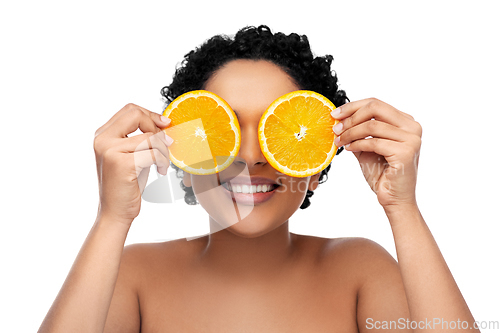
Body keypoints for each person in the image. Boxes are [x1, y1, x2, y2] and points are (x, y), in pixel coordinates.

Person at [38, 25, 478, 332]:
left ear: (316, 167)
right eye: (223, 130)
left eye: (279, 133)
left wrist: (403, 209)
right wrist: (111, 219)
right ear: (182, 162)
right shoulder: (134, 276)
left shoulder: (360, 270)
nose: (249, 156)